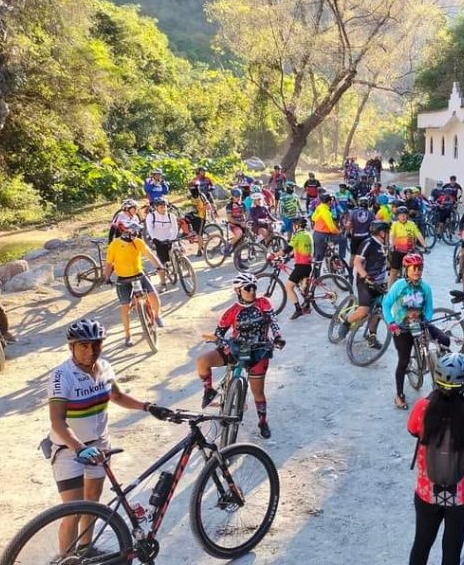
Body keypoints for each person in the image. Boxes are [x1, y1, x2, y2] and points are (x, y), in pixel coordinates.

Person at [46, 319, 168, 559]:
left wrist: (147, 406)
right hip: (69, 449)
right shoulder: (61, 376)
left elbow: (118, 397)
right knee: (73, 511)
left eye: (96, 345)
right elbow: (57, 421)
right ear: (72, 347)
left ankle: (85, 549)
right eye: (84, 345)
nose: (91, 351)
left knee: (93, 501)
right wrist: (79, 448)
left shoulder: (104, 367)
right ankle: (66, 560)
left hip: (100, 445)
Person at [407, 352, 464, 565]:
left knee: (421, 543)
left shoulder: (422, 407)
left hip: (427, 491)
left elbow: (412, 430)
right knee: (452, 549)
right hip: (462, 495)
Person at [196, 273, 285, 438]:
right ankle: (208, 390)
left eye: (254, 287)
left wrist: (278, 337)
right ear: (238, 290)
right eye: (247, 288)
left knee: (258, 392)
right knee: (203, 361)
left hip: (259, 350)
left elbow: (273, 322)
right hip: (237, 348)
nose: (252, 291)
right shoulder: (232, 311)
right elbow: (219, 333)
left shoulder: (263, 303)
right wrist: (225, 345)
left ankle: (262, 422)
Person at [383, 253, 449, 410]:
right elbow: (386, 305)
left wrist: (426, 319)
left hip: (420, 324)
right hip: (402, 328)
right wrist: (392, 323)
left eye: (420, 268)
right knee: (403, 361)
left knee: (445, 340)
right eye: (414, 268)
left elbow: (429, 308)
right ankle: (399, 395)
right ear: (406, 269)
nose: (418, 271)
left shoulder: (425, 287)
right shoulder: (399, 286)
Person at [104, 220, 164, 346]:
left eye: (135, 231)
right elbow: (109, 264)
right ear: (124, 231)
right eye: (132, 231)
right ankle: (127, 335)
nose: (135, 234)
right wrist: (107, 277)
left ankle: (157, 316)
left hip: (139, 275)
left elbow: (150, 255)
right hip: (123, 279)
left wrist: (159, 266)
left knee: (154, 297)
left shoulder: (138, 242)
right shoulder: (114, 245)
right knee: (125, 308)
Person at [336, 221, 390, 343]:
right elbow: (357, 262)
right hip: (365, 282)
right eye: (387, 232)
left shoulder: (384, 245)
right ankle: (346, 322)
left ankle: (372, 336)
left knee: (377, 310)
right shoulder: (368, 243)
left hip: (379, 284)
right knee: (364, 311)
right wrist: (366, 276)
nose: (389, 234)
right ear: (382, 233)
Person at [144, 198, 178, 291]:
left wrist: (172, 238)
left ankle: (184, 266)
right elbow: (150, 229)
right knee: (161, 263)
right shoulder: (151, 216)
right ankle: (163, 283)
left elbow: (175, 228)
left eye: (165, 207)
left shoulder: (171, 216)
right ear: (156, 207)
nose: (164, 209)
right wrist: (155, 239)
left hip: (169, 238)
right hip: (158, 240)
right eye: (161, 207)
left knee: (179, 249)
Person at [389, 206, 426, 287]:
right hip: (398, 251)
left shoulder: (412, 224)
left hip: (409, 252)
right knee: (394, 271)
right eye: (401, 215)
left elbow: (418, 234)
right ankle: (390, 289)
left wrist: (425, 245)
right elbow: (391, 235)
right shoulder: (395, 224)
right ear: (397, 216)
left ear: (407, 216)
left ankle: (411, 288)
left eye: (404, 215)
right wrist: (391, 244)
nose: (403, 217)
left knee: (411, 271)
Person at [287, 216, 314, 319]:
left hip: (301, 266)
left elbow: (288, 248)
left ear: (297, 226)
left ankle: (298, 310)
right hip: (308, 265)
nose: (293, 227)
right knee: (304, 287)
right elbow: (302, 249)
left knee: (289, 287)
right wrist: (290, 256)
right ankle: (307, 306)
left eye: (294, 225)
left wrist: (275, 255)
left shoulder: (297, 235)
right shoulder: (308, 234)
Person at [312, 193, 344, 262]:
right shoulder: (326, 212)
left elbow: (313, 218)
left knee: (319, 259)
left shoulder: (319, 208)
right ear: (329, 202)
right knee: (343, 239)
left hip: (316, 235)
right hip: (324, 236)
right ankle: (341, 257)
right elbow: (332, 228)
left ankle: (317, 268)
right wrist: (339, 232)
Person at [224, 188, 247, 255]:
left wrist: (246, 221)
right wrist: (240, 223)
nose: (238, 198)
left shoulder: (243, 204)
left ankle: (238, 257)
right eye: (236, 197)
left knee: (243, 240)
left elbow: (246, 214)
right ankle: (228, 247)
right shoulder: (229, 206)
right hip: (233, 225)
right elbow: (229, 219)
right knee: (239, 233)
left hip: (242, 224)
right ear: (232, 197)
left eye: (239, 196)